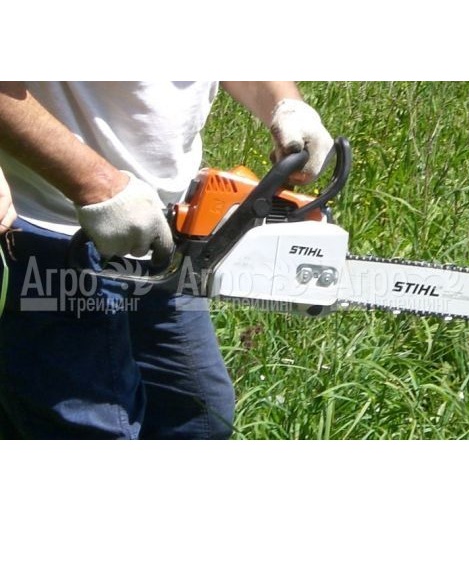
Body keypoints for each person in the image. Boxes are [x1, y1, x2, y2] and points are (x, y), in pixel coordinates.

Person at [0, 82, 334, 439]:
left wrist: (285, 104)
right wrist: (97, 186)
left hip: (167, 235)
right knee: (93, 429)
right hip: (46, 228)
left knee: (199, 420)